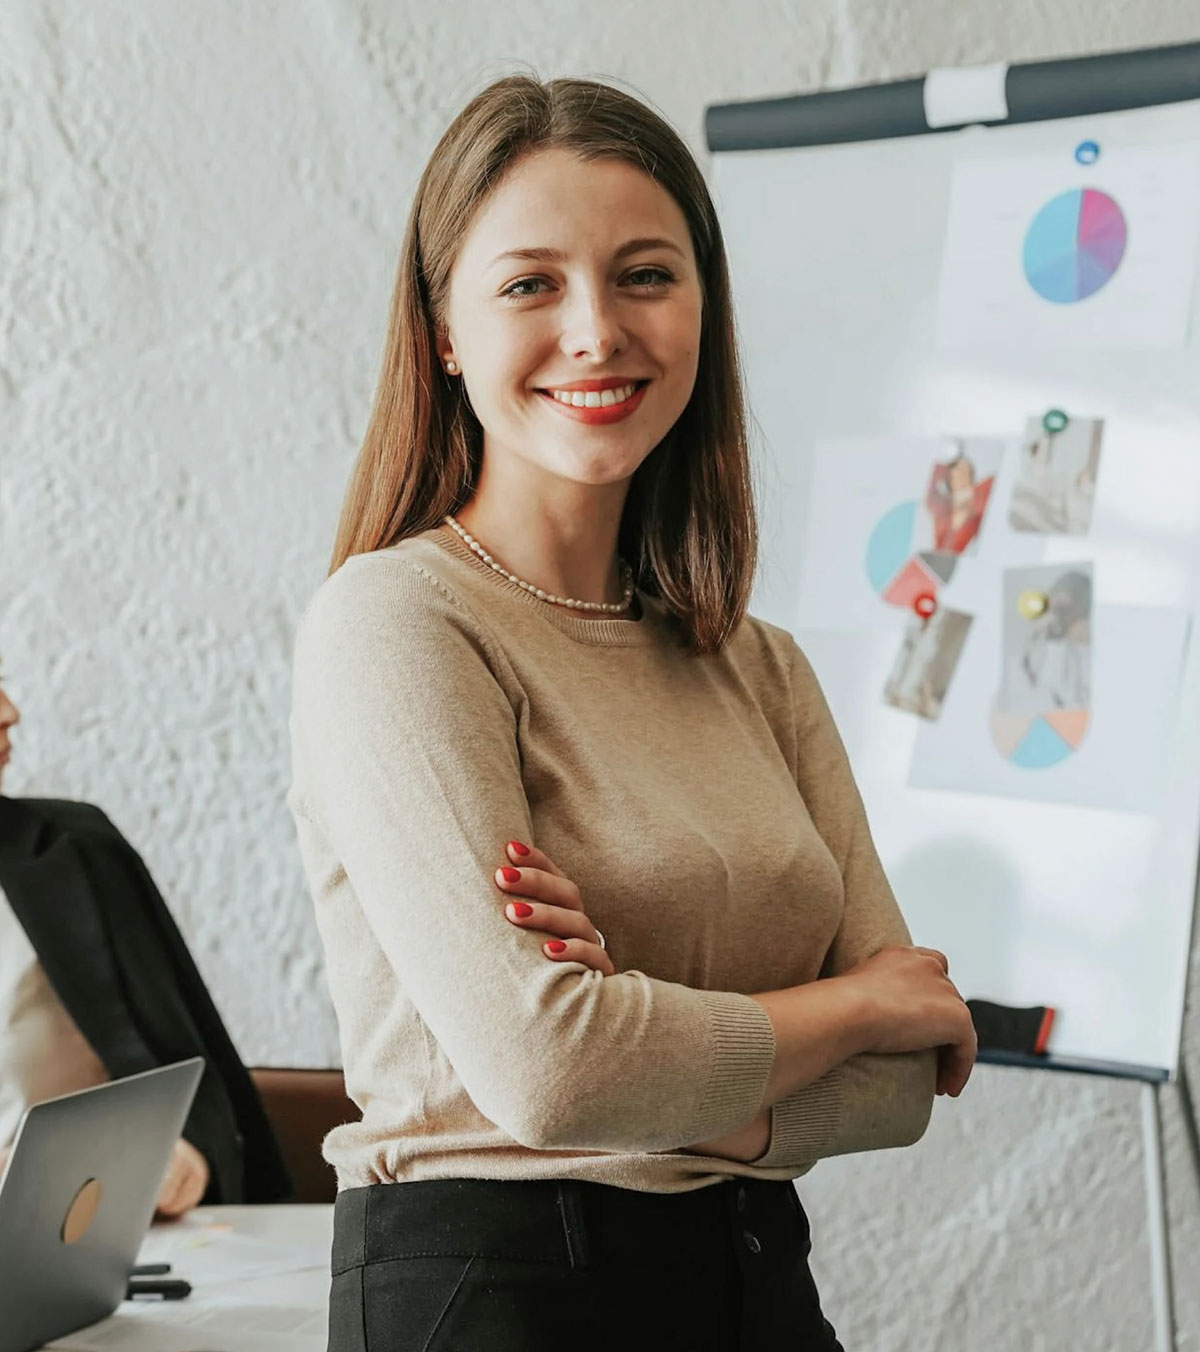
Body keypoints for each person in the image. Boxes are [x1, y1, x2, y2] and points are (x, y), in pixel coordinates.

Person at [288, 75, 977, 1351]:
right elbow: (555, 1072)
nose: (597, 330)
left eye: (646, 274)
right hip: (499, 1295)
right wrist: (855, 1006)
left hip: (755, 1285)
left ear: (704, 309)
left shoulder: (756, 665)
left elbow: (902, 1091)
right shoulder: (397, 624)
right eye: (530, 284)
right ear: (444, 330)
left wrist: (653, 1050)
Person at [0, 669, 291, 1215]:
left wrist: (186, 1159)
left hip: (100, 1233)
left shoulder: (78, 854)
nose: (10, 711)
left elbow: (194, 1074)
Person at [925, 445, 994, 554]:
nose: (958, 474)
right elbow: (944, 555)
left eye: (962, 471)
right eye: (953, 476)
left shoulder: (984, 489)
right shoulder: (941, 511)